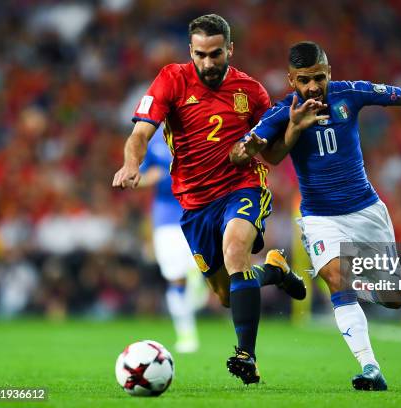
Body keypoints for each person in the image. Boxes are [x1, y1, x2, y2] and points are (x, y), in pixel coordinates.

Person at [230, 41, 401, 391]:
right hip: (320, 216)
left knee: (392, 298)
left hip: (366, 211)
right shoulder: (283, 112)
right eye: (304, 80)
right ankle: (370, 367)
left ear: (329, 72)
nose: (313, 86)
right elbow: (249, 155)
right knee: (336, 279)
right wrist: (290, 130)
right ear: (291, 79)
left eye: (318, 77)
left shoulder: (351, 94)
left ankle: (343, 278)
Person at [112, 14, 306, 385]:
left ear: (229, 49)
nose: (208, 62)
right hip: (195, 203)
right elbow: (140, 133)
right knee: (226, 295)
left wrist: (294, 127)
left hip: (241, 187)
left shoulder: (250, 91)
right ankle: (275, 271)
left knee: (236, 254)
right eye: (200, 54)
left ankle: (246, 357)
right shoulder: (171, 79)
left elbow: (274, 153)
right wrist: (130, 164)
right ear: (191, 51)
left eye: (215, 54)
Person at [138, 128, 207, 353]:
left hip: (196, 209)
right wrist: (150, 178)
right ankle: (186, 334)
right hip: (165, 215)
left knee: (200, 267)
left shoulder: (199, 130)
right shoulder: (153, 140)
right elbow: (137, 176)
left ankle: (199, 279)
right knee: (175, 278)